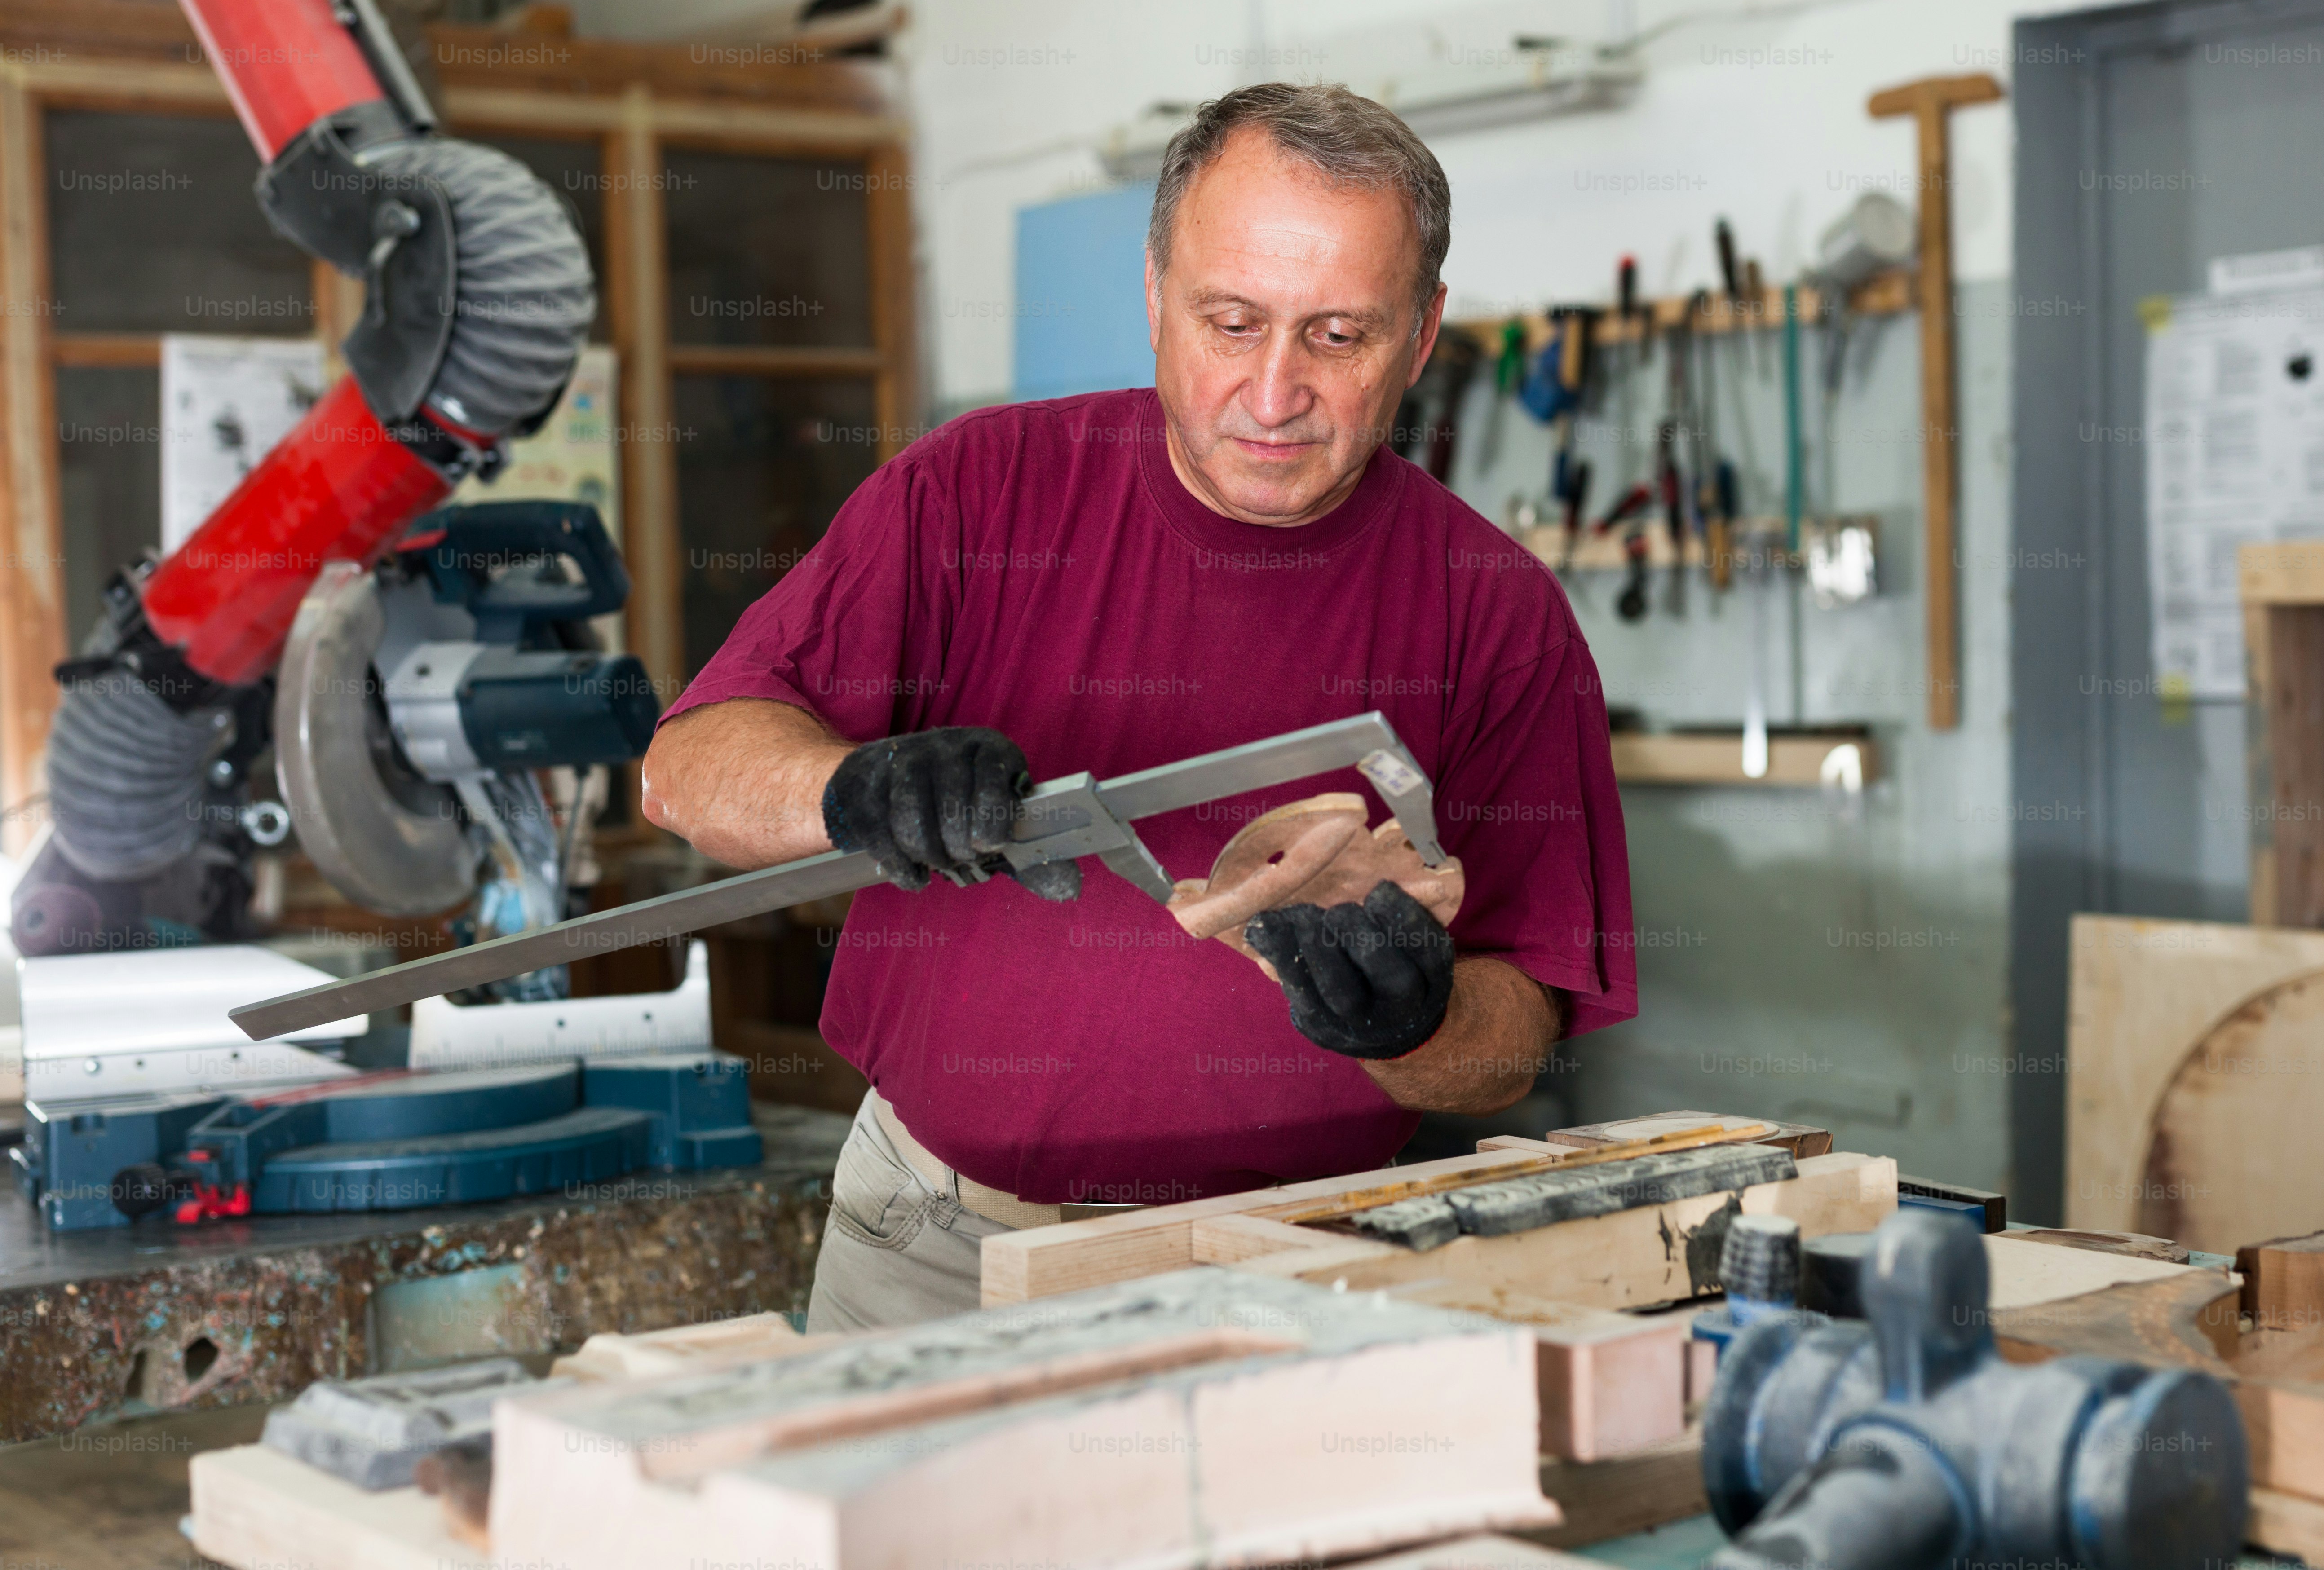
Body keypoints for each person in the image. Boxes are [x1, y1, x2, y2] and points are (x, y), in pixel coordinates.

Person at [641, 81, 1636, 1331]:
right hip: (938, 1252)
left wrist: (1415, 1023)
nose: (1274, 395)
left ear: (1424, 334)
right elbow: (686, 771)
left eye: (1339, 337)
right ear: (1156, 295)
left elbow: (1518, 1034)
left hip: (1300, 1268)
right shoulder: (971, 498)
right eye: (1232, 322)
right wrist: (848, 790)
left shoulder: (1499, 612)